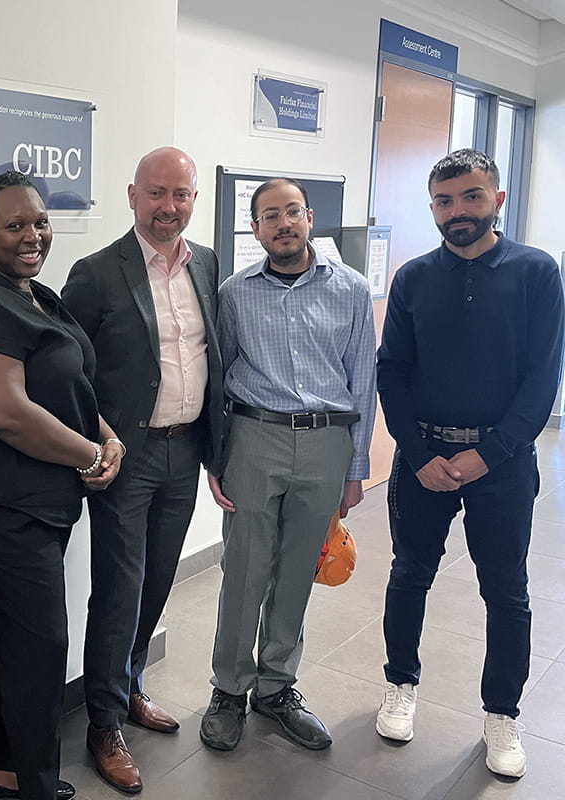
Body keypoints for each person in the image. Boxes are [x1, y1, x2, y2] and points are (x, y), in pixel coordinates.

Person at [375, 148, 564, 778]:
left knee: (506, 592)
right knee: (410, 574)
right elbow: (392, 371)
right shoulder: (413, 278)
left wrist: (488, 455)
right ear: (433, 207)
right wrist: (419, 453)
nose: (458, 212)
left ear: (498, 200)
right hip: (422, 458)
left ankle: (502, 715)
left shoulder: (538, 272)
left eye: (471, 197)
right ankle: (400, 684)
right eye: (445, 201)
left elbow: (543, 380)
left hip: (502, 465)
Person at [0, 171, 121, 800]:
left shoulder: (35, 294)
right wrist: (89, 454)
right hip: (5, 512)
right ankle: (36, 789)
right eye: (15, 225)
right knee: (40, 653)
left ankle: (2, 779)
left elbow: (67, 382)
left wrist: (107, 436)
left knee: (9, 644)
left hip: (41, 507)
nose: (33, 235)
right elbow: (7, 411)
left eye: (40, 222)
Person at [61, 146, 222, 793]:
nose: (169, 207)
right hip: (126, 456)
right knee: (120, 592)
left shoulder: (206, 264)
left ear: (193, 201)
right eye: (157, 194)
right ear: (133, 196)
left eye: (180, 195)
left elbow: (215, 354)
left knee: (157, 585)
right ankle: (103, 724)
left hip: (185, 452)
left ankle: (128, 689)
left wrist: (220, 451)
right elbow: (65, 369)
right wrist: (93, 442)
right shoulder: (97, 273)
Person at [201, 177, 375, 753]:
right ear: (255, 229)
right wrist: (217, 456)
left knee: (298, 571)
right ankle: (229, 688)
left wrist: (355, 468)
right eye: (269, 215)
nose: (283, 223)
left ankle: (276, 687)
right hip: (255, 437)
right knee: (245, 570)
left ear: (310, 218)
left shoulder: (351, 289)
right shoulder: (234, 292)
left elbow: (363, 382)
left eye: (292, 212)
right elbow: (219, 376)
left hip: (327, 443)